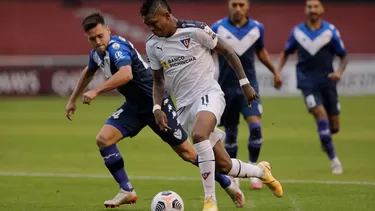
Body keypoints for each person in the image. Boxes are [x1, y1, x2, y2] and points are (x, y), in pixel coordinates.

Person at [64, 12, 246, 208]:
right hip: (134, 107)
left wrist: (96, 91)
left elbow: (126, 74)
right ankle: (127, 190)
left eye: (100, 36)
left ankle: (227, 182)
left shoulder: (117, 48)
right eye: (93, 38)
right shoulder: (97, 54)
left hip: (156, 105)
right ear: (88, 38)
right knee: (103, 139)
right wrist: (72, 100)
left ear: (108, 31)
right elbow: (88, 71)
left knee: (189, 154)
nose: (98, 41)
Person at [141, 0, 283, 210]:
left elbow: (229, 52)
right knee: (224, 165)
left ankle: (210, 201)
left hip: (209, 94)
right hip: (185, 108)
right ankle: (262, 172)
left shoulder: (196, 30)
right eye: (147, 25)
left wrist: (245, 84)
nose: (151, 28)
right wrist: (157, 108)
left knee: (199, 135)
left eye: (153, 22)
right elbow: (159, 81)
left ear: (167, 16)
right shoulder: (153, 45)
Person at [211, 0, 282, 189]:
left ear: (247, 6)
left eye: (241, 4)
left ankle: (253, 170)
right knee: (231, 134)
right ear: (228, 5)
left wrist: (275, 71)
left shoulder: (257, 28)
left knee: (256, 127)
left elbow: (261, 52)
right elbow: (208, 52)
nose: (237, 8)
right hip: (225, 89)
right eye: (234, 4)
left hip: (249, 88)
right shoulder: (217, 27)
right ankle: (234, 173)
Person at [276, 0, 348, 174]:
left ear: (322, 9)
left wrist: (339, 71)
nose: (313, 9)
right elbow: (286, 53)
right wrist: (277, 72)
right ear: (305, 10)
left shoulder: (330, 32)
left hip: (328, 82)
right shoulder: (298, 32)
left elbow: (344, 56)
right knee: (319, 113)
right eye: (309, 6)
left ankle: (326, 140)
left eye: (316, 6)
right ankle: (334, 161)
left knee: (334, 127)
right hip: (307, 82)